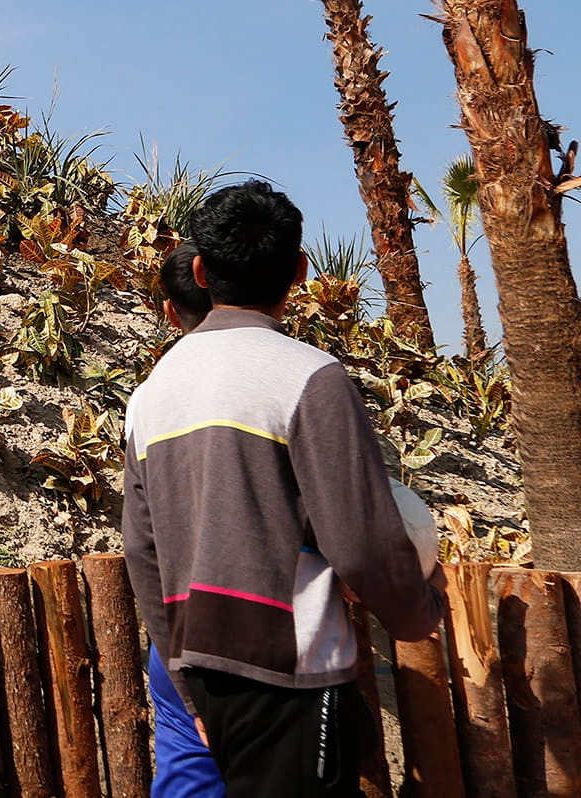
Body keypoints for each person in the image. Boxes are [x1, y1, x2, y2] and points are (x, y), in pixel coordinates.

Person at [122, 182, 441, 798]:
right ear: (299, 268)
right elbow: (360, 541)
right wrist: (417, 613)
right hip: (289, 668)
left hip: (201, 658)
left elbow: (144, 552)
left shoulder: (153, 393)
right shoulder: (310, 377)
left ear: (199, 270)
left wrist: (185, 684)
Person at [146, 243, 225, 798]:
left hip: (180, 629)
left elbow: (141, 543)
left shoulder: (151, 396)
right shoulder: (296, 376)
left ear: (171, 312)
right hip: (271, 630)